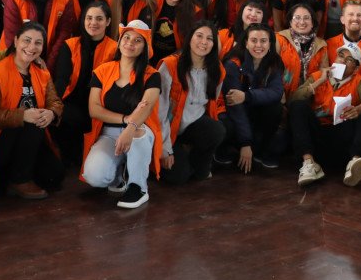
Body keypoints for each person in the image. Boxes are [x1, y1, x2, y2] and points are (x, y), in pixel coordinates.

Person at [0, 21, 64, 200]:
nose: (31, 47)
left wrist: (52, 113)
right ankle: (19, 180)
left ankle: (17, 176)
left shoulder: (42, 72)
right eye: (27, 40)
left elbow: (55, 101)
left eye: (38, 43)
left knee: (54, 176)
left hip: (26, 142)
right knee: (32, 124)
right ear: (16, 41)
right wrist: (22, 116)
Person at [82, 22, 160, 208]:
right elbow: (94, 109)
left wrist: (130, 127)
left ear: (144, 47)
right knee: (94, 176)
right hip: (109, 132)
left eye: (137, 40)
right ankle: (119, 177)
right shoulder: (102, 70)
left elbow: (146, 107)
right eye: (126, 37)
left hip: (140, 131)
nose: (130, 43)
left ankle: (138, 188)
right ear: (119, 42)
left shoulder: (152, 74)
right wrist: (125, 119)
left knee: (138, 133)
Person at [290, 46, 361, 187]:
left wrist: (358, 109)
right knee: (298, 106)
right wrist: (320, 81)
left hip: (342, 139)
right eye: (341, 56)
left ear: (356, 68)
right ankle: (309, 163)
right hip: (318, 139)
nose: (343, 61)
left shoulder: (359, 81)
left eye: (349, 60)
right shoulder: (318, 76)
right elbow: (295, 98)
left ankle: (354, 162)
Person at [157, 23, 228, 184]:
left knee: (217, 130)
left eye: (209, 38)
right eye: (199, 36)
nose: (204, 42)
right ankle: (171, 155)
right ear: (189, 38)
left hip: (192, 125)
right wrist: (165, 148)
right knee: (179, 177)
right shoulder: (170, 65)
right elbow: (159, 111)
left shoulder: (217, 70)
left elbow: (212, 103)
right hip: (168, 129)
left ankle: (196, 161)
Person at [50, 0, 119, 167]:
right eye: (89, 18)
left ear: (108, 22)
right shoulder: (70, 45)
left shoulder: (115, 48)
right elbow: (61, 80)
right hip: (71, 103)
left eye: (99, 18)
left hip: (100, 106)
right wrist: (54, 107)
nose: (93, 23)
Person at [220, 25, 287, 172]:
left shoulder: (274, 62)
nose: (258, 45)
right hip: (232, 115)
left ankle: (259, 149)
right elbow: (235, 106)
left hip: (254, 111)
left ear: (270, 43)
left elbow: (276, 92)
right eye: (254, 40)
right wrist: (246, 143)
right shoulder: (233, 64)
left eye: (263, 41)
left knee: (275, 109)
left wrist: (247, 96)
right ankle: (225, 149)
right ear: (246, 43)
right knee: (225, 124)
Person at [326, 0, 361, 81]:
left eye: (359, 15)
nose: (355, 18)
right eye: (351, 14)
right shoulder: (328, 45)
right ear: (342, 19)